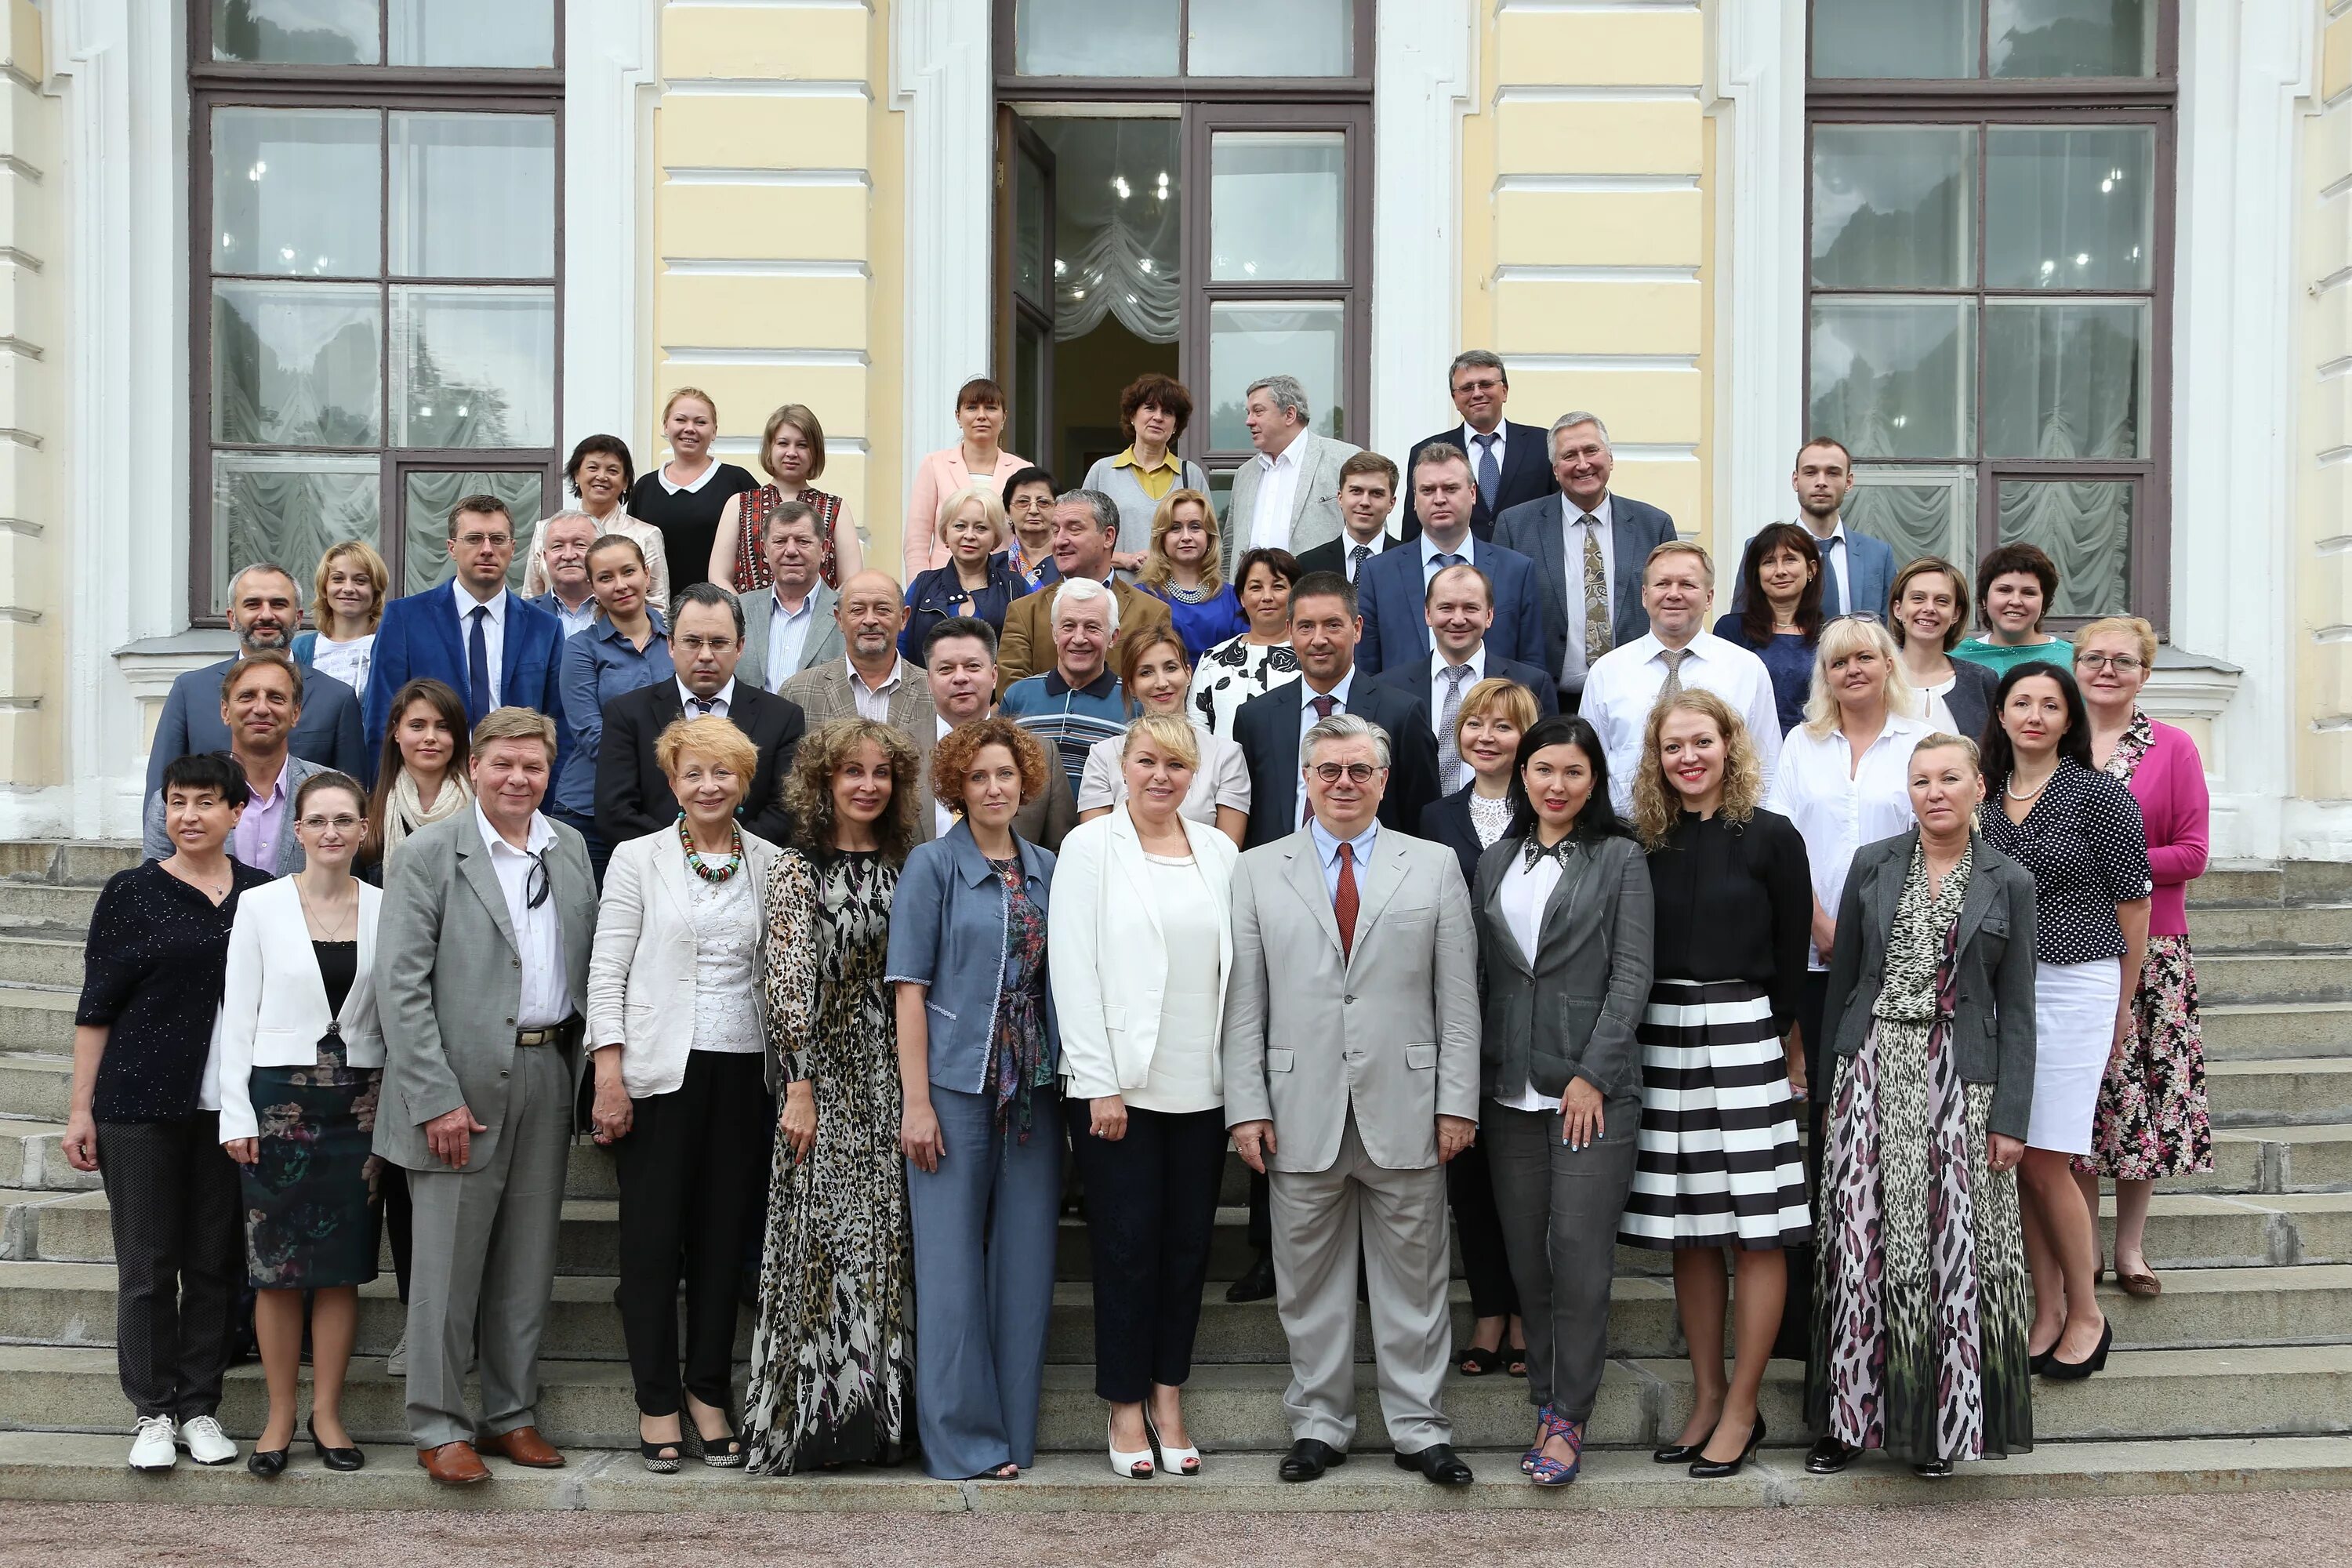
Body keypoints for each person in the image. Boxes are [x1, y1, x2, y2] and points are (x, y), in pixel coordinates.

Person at [1223, 713, 1481, 1487]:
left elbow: (1459, 999)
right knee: (1308, 1287)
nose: (1343, 782)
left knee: (1416, 1280)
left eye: (1359, 770)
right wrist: (1246, 1104)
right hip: (1299, 1107)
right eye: (1329, 769)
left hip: (1407, 1104)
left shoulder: (1433, 866)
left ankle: (1421, 1428)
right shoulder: (1257, 869)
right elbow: (1244, 1002)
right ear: (1305, 778)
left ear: (1383, 778)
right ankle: (1319, 1424)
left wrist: (1457, 1100)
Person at [1805, 732, 2038, 1478]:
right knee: (1859, 1244)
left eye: (1949, 778)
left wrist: (2011, 1118)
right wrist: (1829, 1083)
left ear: (1978, 785)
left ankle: (1942, 1424)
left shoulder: (2011, 880)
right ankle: (1846, 1419)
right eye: (1920, 781)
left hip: (1960, 1080)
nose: (1934, 791)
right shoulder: (1872, 864)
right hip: (1870, 1068)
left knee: (1950, 1251)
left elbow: (2019, 1009)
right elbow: (1842, 980)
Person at [375, 707, 597, 1487]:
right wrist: (433, 1095)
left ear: (549, 769)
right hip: (455, 1084)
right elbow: (399, 986)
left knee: (527, 1259)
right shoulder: (431, 853)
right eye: (503, 763)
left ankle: (511, 1412)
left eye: (533, 766)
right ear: (476, 765)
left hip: (545, 1069)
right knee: (446, 1266)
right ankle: (438, 1423)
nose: (518, 778)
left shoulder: (568, 848)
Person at [1621, 690, 1812, 1479]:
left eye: (1702, 741)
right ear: (1657, 759)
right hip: (1661, 1038)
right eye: (1673, 746)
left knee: (1757, 1228)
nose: (1688, 756)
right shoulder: (1641, 841)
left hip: (1746, 1031)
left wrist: (1780, 1042)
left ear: (1730, 745)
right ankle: (1704, 1395)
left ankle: (1743, 1403)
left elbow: (1795, 953)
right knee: (1690, 1228)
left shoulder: (1770, 836)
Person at [586, 714, 783, 1472]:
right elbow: (607, 970)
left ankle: (707, 1392)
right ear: (672, 783)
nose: (709, 785)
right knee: (649, 1246)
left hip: (744, 1073)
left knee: (720, 1243)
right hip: (658, 1075)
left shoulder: (771, 862)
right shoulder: (638, 860)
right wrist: (609, 1075)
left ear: (744, 781)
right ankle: (657, 1401)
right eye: (693, 773)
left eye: (723, 773)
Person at [65, 752, 272, 1472]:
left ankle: (200, 1407)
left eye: (205, 802)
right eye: (176, 802)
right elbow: (97, 1008)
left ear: (237, 813)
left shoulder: (265, 894)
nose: (188, 816)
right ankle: (153, 1411)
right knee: (148, 1265)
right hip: (138, 1106)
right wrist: (79, 1110)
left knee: (215, 1264)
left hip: (229, 1111)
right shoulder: (131, 892)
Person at [1052, 712, 1240, 1479]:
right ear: (1123, 767)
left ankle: (1169, 1397)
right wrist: (1098, 1081)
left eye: (1176, 765)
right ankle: (1125, 1404)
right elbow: (1073, 967)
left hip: (1203, 1087)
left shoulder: (1222, 852)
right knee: (1127, 1251)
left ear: (1194, 775)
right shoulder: (1089, 847)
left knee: (1186, 1249)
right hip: (1119, 1089)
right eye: (1148, 761)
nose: (1161, 776)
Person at [1475, 714, 1653, 1486]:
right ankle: (1547, 1398)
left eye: (1573, 772)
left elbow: (1632, 974)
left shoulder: (1620, 858)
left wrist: (1595, 1070)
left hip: (1590, 1092)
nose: (1557, 784)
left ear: (1593, 781)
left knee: (1578, 1260)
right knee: (1527, 1262)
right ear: (1522, 775)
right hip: (1507, 1088)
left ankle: (1568, 1418)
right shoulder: (1493, 861)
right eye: (1543, 769)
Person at [743, 717, 921, 1473]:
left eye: (881, 773)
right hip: (823, 1081)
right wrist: (801, 1086)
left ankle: (875, 1420)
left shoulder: (911, 865)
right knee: (821, 1248)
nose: (868, 785)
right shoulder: (796, 868)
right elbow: (785, 983)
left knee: (883, 1248)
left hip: (894, 1078)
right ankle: (810, 1418)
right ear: (824, 780)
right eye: (852, 771)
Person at [887, 717, 1063, 1480]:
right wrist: (915, 1102)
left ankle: (1011, 1437)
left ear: (1026, 782)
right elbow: (910, 990)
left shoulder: (1050, 866)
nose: (995, 787)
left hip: (1035, 1090)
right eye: (981, 775)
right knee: (952, 1270)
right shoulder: (932, 866)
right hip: (955, 1087)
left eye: (1007, 774)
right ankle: (961, 1440)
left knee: (1026, 1265)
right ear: (958, 785)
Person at [1977, 661, 2152, 1381]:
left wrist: (2123, 1003)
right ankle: (2043, 1311)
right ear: (2002, 714)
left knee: (2049, 1155)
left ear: (2069, 718)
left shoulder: (2098, 794)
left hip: (2079, 983)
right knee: (2018, 1159)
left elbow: (2134, 903)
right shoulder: (1985, 801)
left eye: (2052, 704)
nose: (2036, 715)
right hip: (2002, 995)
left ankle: (2087, 1311)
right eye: (2022, 702)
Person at [211, 770, 383, 1478]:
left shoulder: (387, 905)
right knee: (277, 1271)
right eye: (319, 821)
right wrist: (234, 1114)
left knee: (341, 1271)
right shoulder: (260, 906)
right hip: (279, 1101)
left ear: (364, 831)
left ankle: (328, 1415)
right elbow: (235, 1015)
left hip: (362, 1107)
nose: (333, 832)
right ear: (299, 830)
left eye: (346, 820)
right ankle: (280, 1415)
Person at [1765, 616, 1939, 1178]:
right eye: (1838, 662)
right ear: (1826, 676)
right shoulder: (1802, 742)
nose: (1852, 670)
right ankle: (1829, 1239)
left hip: (1903, 949)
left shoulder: (1922, 740)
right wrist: (1818, 923)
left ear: (1890, 664)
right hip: (1817, 949)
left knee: (1897, 1097)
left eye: (1864, 657)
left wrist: (1886, 933)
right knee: (1825, 1095)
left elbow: (1940, 838)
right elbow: (1784, 843)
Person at [2069, 619, 2212, 1298]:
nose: (2106, 670)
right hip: (2067, 943)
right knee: (2084, 1094)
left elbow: (2192, 852)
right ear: (2074, 665)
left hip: (2152, 948)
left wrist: (2110, 865)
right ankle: (2082, 1247)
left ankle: (2130, 1250)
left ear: (2145, 674)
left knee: (2142, 1095)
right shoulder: (2055, 743)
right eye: (2094, 658)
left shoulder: (2173, 746)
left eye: (2122, 661)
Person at [1418, 676, 1541, 1379]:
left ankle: (1526, 1312)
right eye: (1475, 725)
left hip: (1527, 1012)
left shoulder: (1551, 806)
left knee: (1523, 1181)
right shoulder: (1436, 817)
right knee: (1468, 1176)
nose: (1487, 737)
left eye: (1503, 725)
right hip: (1452, 1013)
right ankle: (1490, 1312)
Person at [1232, 572, 1442, 859]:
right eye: (1306, 627)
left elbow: (1421, 817)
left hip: (1375, 884)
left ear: (1356, 629)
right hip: (1281, 882)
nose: (1318, 640)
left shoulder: (1402, 714)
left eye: (1332, 625)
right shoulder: (1255, 718)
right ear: (1290, 631)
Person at [362, 496, 569, 771]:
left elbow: (560, 727)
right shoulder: (405, 619)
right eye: (473, 539)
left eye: (497, 539)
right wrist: (385, 797)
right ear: (452, 548)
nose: (486, 549)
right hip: (429, 788)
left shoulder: (545, 628)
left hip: (515, 787)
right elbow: (382, 718)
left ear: (513, 548)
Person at [595, 583, 804, 852]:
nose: (705, 655)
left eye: (719, 643)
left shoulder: (782, 718)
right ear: (671, 644)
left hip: (751, 870)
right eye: (692, 642)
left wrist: (730, 854)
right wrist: (684, 856)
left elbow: (786, 809)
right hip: (655, 872)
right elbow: (614, 811)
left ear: (740, 646)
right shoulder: (627, 714)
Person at [1581, 540, 1783, 815]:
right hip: (1630, 834)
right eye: (1662, 584)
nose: (1673, 594)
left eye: (1687, 585)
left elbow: (1768, 764)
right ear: (1644, 595)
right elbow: (1590, 764)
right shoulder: (1607, 671)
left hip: (1725, 831)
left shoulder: (1746, 669)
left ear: (1709, 598)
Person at [1494, 412, 1679, 707]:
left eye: (1591, 451)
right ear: (1555, 469)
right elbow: (1501, 618)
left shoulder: (1653, 525)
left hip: (1636, 697)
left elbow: (1673, 608)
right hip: (1547, 701)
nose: (1583, 464)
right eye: (1569, 455)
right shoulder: (1516, 527)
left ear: (1610, 458)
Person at [149, 563, 368, 796]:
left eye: (278, 604)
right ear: (232, 618)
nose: (266, 615)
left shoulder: (336, 698)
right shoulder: (190, 692)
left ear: (298, 618)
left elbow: (352, 799)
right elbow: (161, 795)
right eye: (253, 604)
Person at [1355, 445, 1546, 683]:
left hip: (1494, 714)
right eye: (1427, 490)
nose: (1439, 499)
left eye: (1451, 488)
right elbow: (1366, 671)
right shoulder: (1378, 574)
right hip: (1402, 718)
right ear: (1415, 500)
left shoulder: (1516, 571)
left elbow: (1532, 667)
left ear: (1473, 493)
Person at [143, 652, 332, 873]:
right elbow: (154, 888)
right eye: (247, 697)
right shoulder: (175, 800)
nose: (261, 708)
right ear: (225, 711)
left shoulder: (330, 790)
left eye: (276, 698)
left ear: (295, 713)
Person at [554, 535, 674, 878]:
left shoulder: (679, 641)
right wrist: (664, 770)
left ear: (646, 574)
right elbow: (590, 733)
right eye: (606, 578)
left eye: (628, 572)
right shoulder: (581, 648)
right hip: (589, 811)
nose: (620, 585)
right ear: (592, 586)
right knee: (589, 923)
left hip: (668, 809)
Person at [1386, 564, 1560, 797]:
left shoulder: (1532, 685)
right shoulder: (1390, 687)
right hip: (1412, 826)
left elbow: (1547, 764)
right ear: (1428, 614)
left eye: (1470, 608)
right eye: (1446, 608)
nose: (1458, 620)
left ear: (1489, 615)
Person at [913, 617, 1079, 851]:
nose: (960, 677)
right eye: (946, 669)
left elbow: (1061, 849)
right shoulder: (901, 749)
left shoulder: (1042, 754)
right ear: (929, 681)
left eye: (972, 666)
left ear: (994, 676)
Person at [1079, 628, 1250, 846]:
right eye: (1146, 672)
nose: (1161, 682)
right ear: (1131, 686)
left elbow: (1228, 853)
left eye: (1171, 668)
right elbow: (1093, 845)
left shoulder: (1226, 756)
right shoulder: (1103, 755)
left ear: (1189, 673)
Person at [996, 488, 1173, 692]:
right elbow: (1012, 692)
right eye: (1055, 530)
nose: (1060, 540)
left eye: (1074, 529)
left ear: (1108, 536)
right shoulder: (1024, 612)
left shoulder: (1151, 612)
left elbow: (1157, 688)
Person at [709, 403, 863, 594]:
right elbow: (718, 576)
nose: (792, 453)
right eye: (783, 443)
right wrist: (745, 615)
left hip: (820, 621)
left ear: (815, 452)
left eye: (802, 445)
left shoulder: (836, 508)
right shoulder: (739, 504)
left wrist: (824, 616)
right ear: (770, 448)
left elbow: (852, 579)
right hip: (751, 621)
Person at [1402, 350, 1554, 543]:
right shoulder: (1426, 452)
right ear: (1455, 399)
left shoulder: (1543, 444)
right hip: (1455, 568)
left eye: (1486, 384)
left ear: (1505, 391)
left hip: (1528, 566)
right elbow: (1413, 531)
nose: (1477, 393)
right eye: (1466, 388)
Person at [1000, 578, 1133, 794]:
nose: (1079, 638)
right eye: (1068, 626)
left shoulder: (1133, 703)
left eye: (1092, 627)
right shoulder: (1017, 696)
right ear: (1054, 632)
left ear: (1113, 637)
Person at [1221, 374, 1363, 577]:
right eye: (1248, 412)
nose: (1248, 421)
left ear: (1289, 414)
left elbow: (1371, 536)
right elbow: (1230, 548)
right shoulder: (1244, 474)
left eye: (1258, 412)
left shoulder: (1343, 459)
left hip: (1319, 597)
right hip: (1252, 603)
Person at [626, 387, 759, 590]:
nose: (690, 428)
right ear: (666, 426)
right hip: (657, 614)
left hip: (721, 612)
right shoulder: (645, 488)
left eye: (701, 422)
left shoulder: (737, 482)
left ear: (714, 431)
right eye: (680, 420)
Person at [521, 434, 672, 610]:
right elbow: (531, 597)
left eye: (613, 471)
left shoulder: (646, 535)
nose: (602, 476)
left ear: (625, 482)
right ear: (576, 475)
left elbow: (658, 607)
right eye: (593, 468)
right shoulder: (545, 529)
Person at [781, 569, 935, 733]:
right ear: (839, 619)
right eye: (857, 610)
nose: (870, 620)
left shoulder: (933, 690)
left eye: (882, 609)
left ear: (903, 618)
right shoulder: (798, 692)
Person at [906, 376, 1030, 578]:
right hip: (941, 582)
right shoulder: (934, 464)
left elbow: (1030, 538)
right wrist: (919, 591)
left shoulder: (1022, 469)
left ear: (1004, 417)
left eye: (990, 408)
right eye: (972, 408)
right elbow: (916, 541)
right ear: (958, 416)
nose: (981, 416)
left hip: (1003, 582)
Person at [1083, 372, 1213, 560]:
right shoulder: (1102, 472)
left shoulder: (1191, 475)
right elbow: (1083, 539)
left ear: (1176, 425)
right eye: (1150, 408)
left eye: (1168, 412)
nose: (1158, 417)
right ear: (1132, 416)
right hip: (1117, 587)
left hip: (1174, 587)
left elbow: (1208, 541)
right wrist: (1124, 559)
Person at [1715, 522, 1825, 735]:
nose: (1780, 571)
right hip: (1748, 751)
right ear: (1756, 574)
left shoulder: (1829, 633)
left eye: (1790, 559)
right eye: (1769, 562)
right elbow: (1722, 702)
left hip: (1814, 747)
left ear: (1811, 569)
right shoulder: (1731, 630)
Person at [1189, 547, 1301, 740]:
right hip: (1224, 769)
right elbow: (1197, 728)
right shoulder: (1213, 659)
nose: (1267, 597)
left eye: (1278, 586)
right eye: (1256, 587)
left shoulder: (1312, 655)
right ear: (1241, 597)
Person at [902, 483, 1022, 660]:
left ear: (995, 538)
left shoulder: (1015, 587)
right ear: (946, 534)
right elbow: (901, 648)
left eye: (981, 528)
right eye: (960, 526)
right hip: (926, 688)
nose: (969, 535)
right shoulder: (923, 585)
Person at [736, 499, 843, 694]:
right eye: (780, 541)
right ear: (765, 550)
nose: (791, 551)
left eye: (803, 541)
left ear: (824, 549)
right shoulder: (739, 610)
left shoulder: (846, 612)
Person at [366, 678, 473, 873]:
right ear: (396, 732)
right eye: (417, 726)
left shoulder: (481, 807)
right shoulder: (369, 812)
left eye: (443, 727)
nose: (430, 737)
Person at [1783, 438, 1895, 621]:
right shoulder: (1762, 551)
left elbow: (1891, 631)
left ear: (1849, 482)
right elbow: (1743, 629)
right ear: (1796, 480)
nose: (1821, 482)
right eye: (1810, 472)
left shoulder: (1879, 555)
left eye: (1832, 473)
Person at [1137, 488, 1247, 659]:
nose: (1186, 537)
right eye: (1175, 528)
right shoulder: (1142, 596)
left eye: (1195, 527)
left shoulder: (1234, 598)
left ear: (1209, 536)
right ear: (1161, 538)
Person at [1955, 543, 2072, 677]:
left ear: (2044, 602)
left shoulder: (2073, 660)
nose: (2016, 601)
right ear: (1984, 599)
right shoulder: (1955, 659)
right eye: (2004, 590)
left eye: (2028, 592)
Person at [292, 539, 389, 698]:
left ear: (375, 590)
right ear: (324, 587)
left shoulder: (390, 647)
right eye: (338, 579)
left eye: (360, 580)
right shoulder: (300, 649)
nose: (349, 589)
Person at [1294, 452, 1400, 583]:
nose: (1365, 502)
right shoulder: (1308, 565)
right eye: (1356, 491)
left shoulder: (1413, 562)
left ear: (1391, 503)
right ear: (1340, 498)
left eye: (1376, 493)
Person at [523, 511, 602, 640]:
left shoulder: (626, 612)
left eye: (580, 545)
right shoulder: (522, 615)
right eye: (557, 546)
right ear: (545, 557)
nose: (568, 556)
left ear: (601, 552)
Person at [999, 466, 1062, 593]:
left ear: (1058, 508)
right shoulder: (994, 567)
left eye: (1043, 502)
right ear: (1007, 511)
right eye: (1023, 502)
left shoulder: (1070, 561)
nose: (1033, 510)